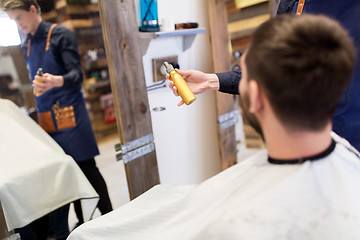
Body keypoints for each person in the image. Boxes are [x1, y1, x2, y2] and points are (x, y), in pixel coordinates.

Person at [68, 14, 360, 240]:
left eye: (243, 74)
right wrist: (213, 80)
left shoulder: (238, 228)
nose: (239, 79)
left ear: (256, 96)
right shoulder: (348, 158)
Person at [170, 0, 360, 155]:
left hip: (350, 137)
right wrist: (212, 80)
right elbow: (271, 66)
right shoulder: (293, 3)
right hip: (297, 144)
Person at [0, 0, 113, 239]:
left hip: (71, 116)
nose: (18, 25)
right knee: (60, 176)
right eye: (13, 21)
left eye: (19, 18)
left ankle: (110, 217)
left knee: (87, 168)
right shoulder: (27, 43)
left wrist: (55, 81)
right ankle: (78, 225)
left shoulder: (60, 35)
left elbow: (76, 75)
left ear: (32, 10)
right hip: (47, 119)